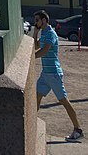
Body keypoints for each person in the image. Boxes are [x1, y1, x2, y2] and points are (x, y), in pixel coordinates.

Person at [33, 10, 84, 142]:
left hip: (54, 74)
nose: (36, 22)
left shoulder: (51, 33)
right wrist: (35, 32)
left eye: (37, 20)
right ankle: (31, 125)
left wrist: (31, 57)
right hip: (45, 74)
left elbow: (44, 51)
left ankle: (77, 129)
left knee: (64, 102)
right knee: (35, 99)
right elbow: (36, 46)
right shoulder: (43, 33)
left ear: (44, 20)